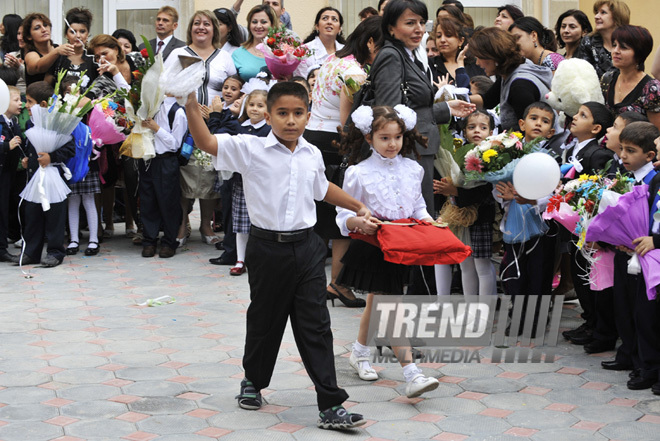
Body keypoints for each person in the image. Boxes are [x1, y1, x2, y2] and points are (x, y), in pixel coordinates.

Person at [186, 81, 369, 429]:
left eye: (298, 113)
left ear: (308, 116)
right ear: (268, 116)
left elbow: (322, 189)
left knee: (316, 325)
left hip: (307, 247)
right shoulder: (250, 149)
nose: (290, 121)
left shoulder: (312, 153)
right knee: (265, 321)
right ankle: (253, 382)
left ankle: (330, 403)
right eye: (282, 113)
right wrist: (191, 104)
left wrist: (356, 204)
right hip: (267, 248)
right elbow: (206, 142)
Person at [337, 105, 440, 396]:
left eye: (397, 137)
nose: (392, 144)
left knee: (378, 301)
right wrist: (358, 221)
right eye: (384, 138)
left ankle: (359, 352)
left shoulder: (413, 168)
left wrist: (430, 223)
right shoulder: (359, 172)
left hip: (404, 245)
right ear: (369, 138)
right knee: (391, 305)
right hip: (374, 246)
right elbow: (341, 215)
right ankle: (412, 373)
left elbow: (418, 205)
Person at [305, 15, 382, 308]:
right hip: (334, 142)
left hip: (313, 136)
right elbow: (345, 122)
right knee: (339, 218)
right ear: (370, 42)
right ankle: (337, 284)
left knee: (318, 216)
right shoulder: (355, 72)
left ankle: (321, 283)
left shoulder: (332, 59)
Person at [373, 0, 475, 217]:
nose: (419, 29)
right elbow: (390, 113)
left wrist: (446, 108)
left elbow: (412, 105)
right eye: (410, 23)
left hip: (418, 148)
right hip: (407, 150)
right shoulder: (392, 55)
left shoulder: (409, 55)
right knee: (413, 221)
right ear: (391, 27)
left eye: (421, 22)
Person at [165, 11, 237, 247]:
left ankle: (206, 224)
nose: (201, 28)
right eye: (197, 23)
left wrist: (219, 108)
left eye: (207, 24)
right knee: (184, 173)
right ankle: (182, 224)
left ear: (215, 29)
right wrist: (187, 102)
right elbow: (163, 86)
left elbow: (233, 88)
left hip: (213, 124)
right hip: (183, 123)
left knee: (209, 174)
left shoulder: (224, 57)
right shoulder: (178, 53)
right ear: (190, 29)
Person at [604, 122, 660, 392]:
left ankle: (648, 367)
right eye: (622, 149)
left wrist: (653, 240)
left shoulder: (654, 178)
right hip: (635, 250)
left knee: (647, 315)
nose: (623, 156)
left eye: (630, 151)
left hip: (652, 254)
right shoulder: (632, 176)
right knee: (629, 308)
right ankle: (636, 360)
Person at [494, 102, 558, 333]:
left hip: (541, 225)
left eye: (545, 121)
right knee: (515, 273)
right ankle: (517, 317)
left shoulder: (550, 158)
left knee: (539, 273)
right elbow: (499, 187)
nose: (538, 123)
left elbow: (555, 195)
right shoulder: (508, 156)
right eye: (534, 118)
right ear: (522, 124)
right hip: (514, 221)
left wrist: (532, 200)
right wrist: (507, 196)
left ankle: (537, 321)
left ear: (551, 131)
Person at [561, 102, 614, 347]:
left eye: (583, 115)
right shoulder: (574, 149)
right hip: (575, 225)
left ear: (596, 129)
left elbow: (600, 190)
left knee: (589, 276)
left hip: (589, 227)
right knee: (579, 274)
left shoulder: (598, 154)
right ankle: (590, 320)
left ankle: (598, 325)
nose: (575, 117)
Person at [434, 110, 497, 297]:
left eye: (483, 127)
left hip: (481, 216)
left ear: (491, 132)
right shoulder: (459, 153)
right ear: (464, 132)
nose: (477, 131)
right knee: (465, 264)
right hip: (459, 215)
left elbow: (484, 191)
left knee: (482, 264)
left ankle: (486, 309)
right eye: (471, 127)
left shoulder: (492, 156)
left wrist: (454, 191)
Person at [15, 81, 75, 267]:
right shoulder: (30, 122)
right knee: (32, 214)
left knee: (54, 215)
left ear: (42, 105)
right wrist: (28, 159)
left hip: (52, 176)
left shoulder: (58, 123)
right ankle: (32, 252)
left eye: (30, 102)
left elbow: (70, 149)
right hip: (35, 176)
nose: (26, 106)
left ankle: (56, 252)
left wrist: (52, 156)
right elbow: (31, 146)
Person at [470, 27, 553, 131]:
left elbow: (531, 132)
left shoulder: (520, 87)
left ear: (494, 57)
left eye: (479, 57)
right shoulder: (508, 73)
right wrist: (455, 99)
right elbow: (488, 100)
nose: (477, 63)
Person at [138, 95, 187, 259]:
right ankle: (149, 241)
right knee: (147, 201)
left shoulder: (177, 112)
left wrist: (156, 128)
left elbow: (175, 144)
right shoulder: (149, 104)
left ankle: (168, 242)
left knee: (168, 202)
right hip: (148, 159)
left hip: (166, 160)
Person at [61, 77, 101, 258]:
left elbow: (99, 127)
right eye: (68, 92)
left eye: (77, 91)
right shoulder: (61, 112)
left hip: (88, 158)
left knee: (89, 198)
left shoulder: (90, 108)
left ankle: (94, 239)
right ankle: (74, 239)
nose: (73, 96)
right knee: (73, 200)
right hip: (69, 160)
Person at [600, 25, 660, 130]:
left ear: (639, 53)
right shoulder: (607, 78)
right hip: (606, 142)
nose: (616, 51)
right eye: (614, 45)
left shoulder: (652, 88)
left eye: (623, 47)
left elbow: (655, 133)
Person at [45, 8, 97, 96]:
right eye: (73, 32)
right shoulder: (58, 57)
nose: (78, 36)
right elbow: (46, 86)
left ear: (87, 34)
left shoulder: (93, 59)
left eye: (82, 31)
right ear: (66, 34)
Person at [575, 0, 630, 78]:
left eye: (603, 12)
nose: (596, 16)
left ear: (616, 17)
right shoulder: (588, 41)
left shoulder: (630, 42)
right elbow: (582, 75)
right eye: (597, 12)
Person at [0, 85, 22, 263]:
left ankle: (2, 248)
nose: (20, 103)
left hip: (8, 173)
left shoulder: (13, 122)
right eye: (16, 100)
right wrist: (7, 146)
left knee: (4, 209)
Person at [22, 13, 74, 86]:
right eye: (37, 28)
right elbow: (38, 67)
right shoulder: (30, 54)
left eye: (45, 25)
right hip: (39, 96)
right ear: (29, 36)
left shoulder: (60, 49)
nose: (44, 29)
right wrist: (56, 52)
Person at [430, 18, 484, 88]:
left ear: (461, 40)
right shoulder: (429, 65)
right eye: (438, 36)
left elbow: (485, 92)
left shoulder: (475, 64)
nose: (442, 40)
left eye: (448, 35)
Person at [231, 5, 277, 81]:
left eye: (264, 22)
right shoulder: (238, 54)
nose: (258, 26)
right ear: (249, 25)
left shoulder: (281, 53)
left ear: (272, 25)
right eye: (254, 22)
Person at [296, 7, 346, 77]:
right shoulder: (304, 50)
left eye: (334, 19)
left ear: (339, 29)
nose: (329, 22)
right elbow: (302, 81)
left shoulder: (346, 51)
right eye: (325, 18)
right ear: (317, 26)